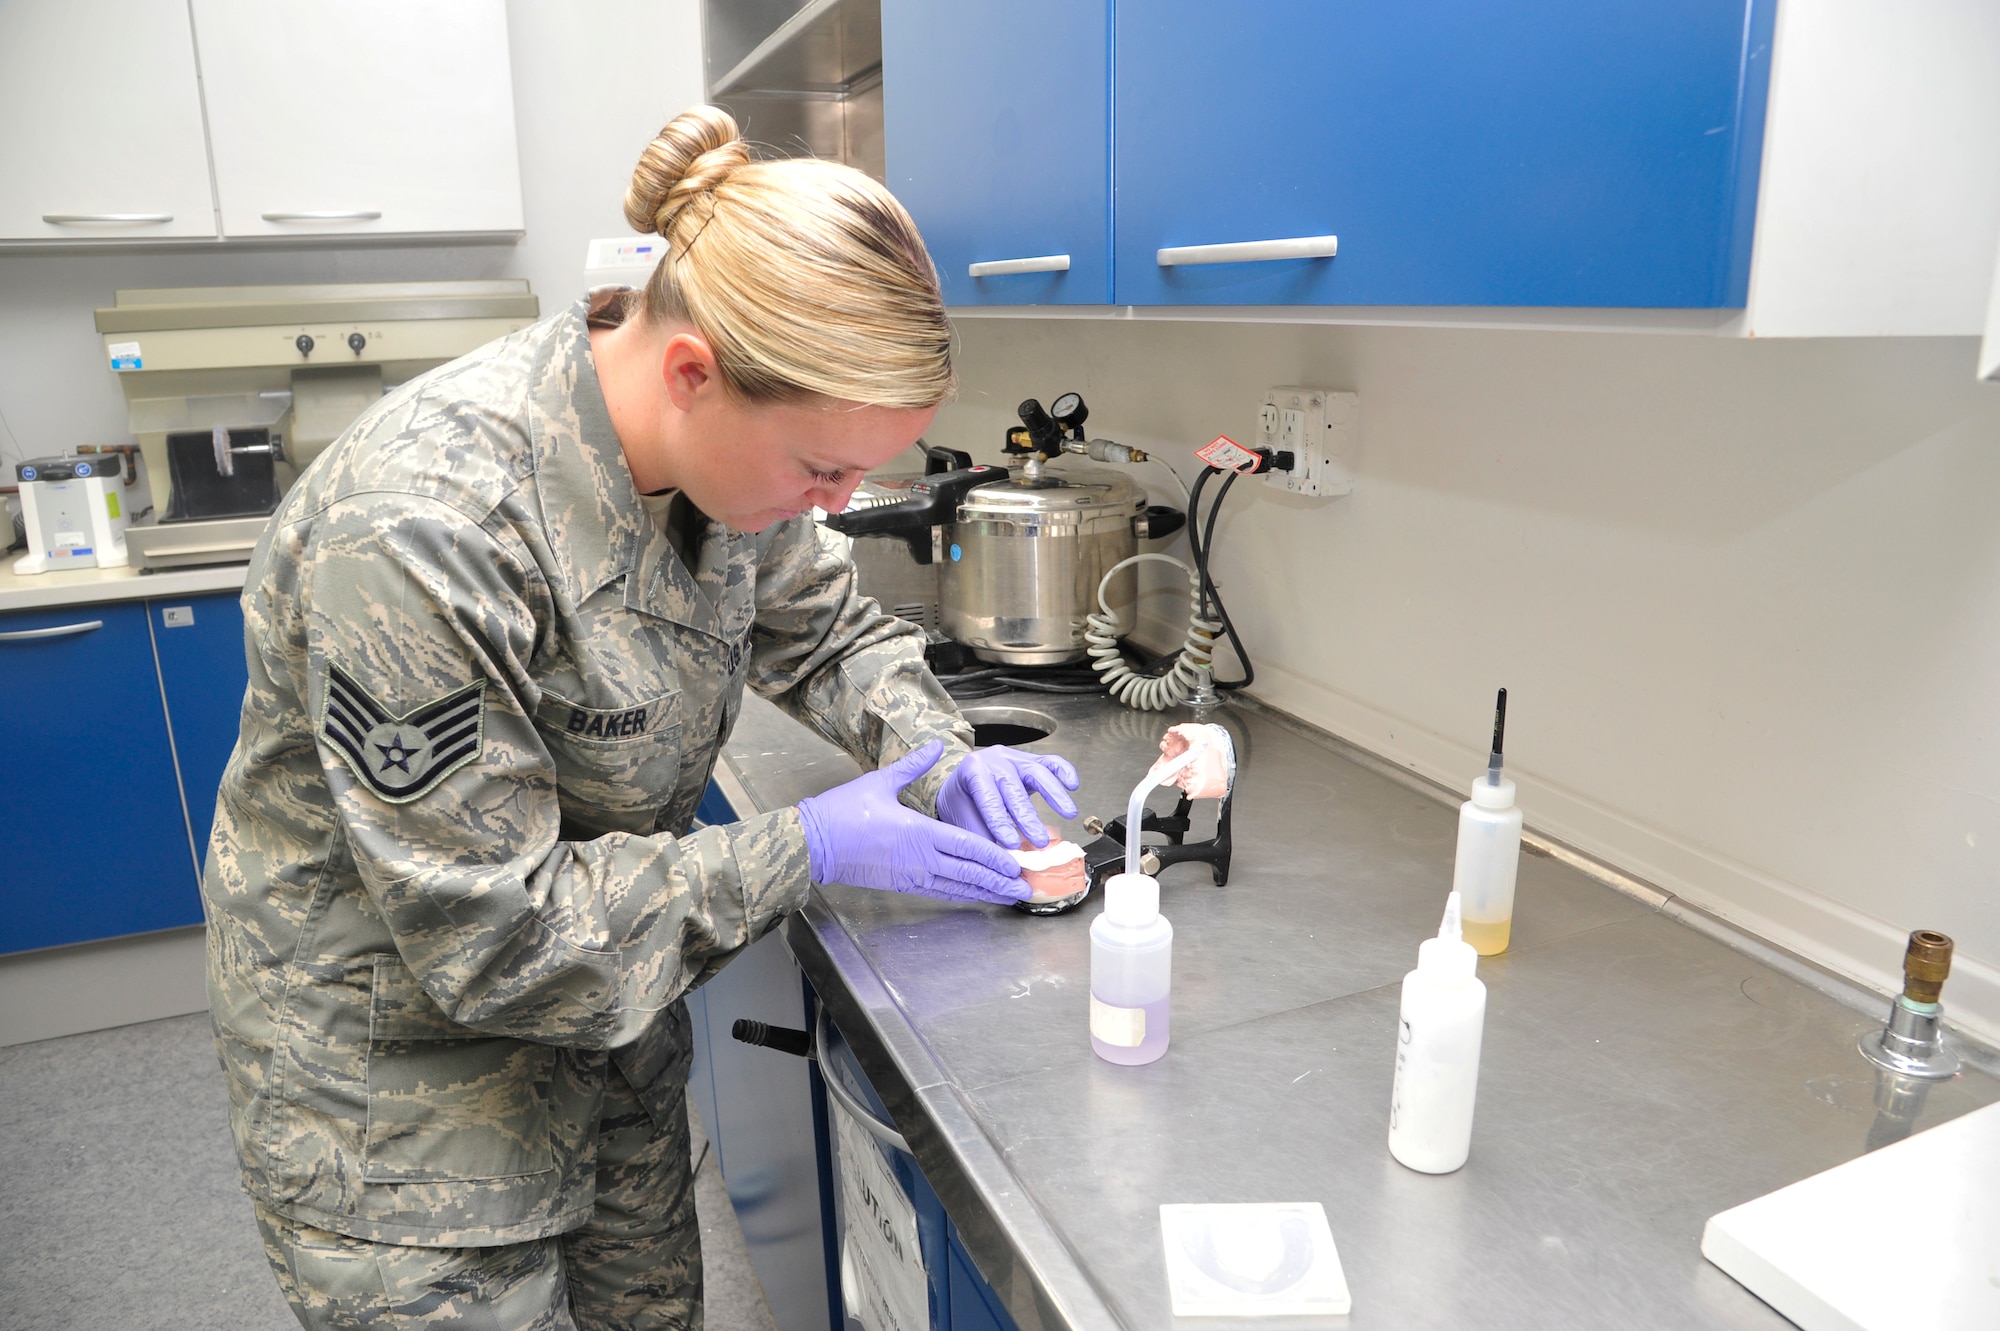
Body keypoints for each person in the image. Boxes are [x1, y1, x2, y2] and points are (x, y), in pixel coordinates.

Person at [204, 105, 1080, 1330]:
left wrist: (939, 752)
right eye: (821, 471)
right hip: (405, 1114)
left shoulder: (729, 477)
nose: (830, 504)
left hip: (610, 1043)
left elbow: (825, 627)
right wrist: (806, 844)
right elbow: (490, 936)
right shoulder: (426, 526)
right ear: (689, 372)